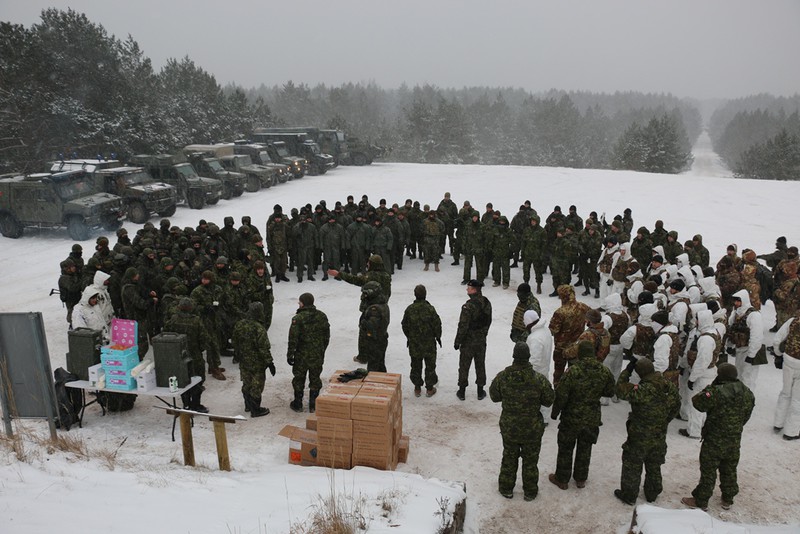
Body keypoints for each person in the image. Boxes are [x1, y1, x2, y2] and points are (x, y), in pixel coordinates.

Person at [682, 363, 755, 512]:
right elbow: (746, 415)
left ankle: (701, 500)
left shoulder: (716, 392)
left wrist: (710, 387)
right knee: (729, 468)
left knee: (708, 470)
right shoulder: (747, 392)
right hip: (734, 439)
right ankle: (728, 498)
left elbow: (697, 403)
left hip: (714, 439)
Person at [490, 342, 555, 501]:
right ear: (528, 357)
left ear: (514, 356)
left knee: (509, 458)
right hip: (532, 429)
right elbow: (549, 400)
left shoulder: (503, 377)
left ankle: (506, 488)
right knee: (531, 461)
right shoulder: (538, 379)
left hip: (510, 427)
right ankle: (530, 491)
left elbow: (494, 396)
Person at [548, 340, 615, 491]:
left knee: (566, 448)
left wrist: (555, 412)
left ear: (579, 354)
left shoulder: (573, 371)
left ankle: (562, 479)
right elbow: (610, 392)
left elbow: (562, 395)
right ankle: (581, 478)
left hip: (571, 417)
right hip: (592, 417)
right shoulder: (604, 371)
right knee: (585, 448)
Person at [614, 358, 681, 505]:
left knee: (632, 463)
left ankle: (629, 495)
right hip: (659, 434)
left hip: (639, 433)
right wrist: (664, 421)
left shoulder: (642, 390)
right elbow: (677, 405)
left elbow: (619, 389)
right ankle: (652, 493)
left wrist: (627, 371)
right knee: (654, 463)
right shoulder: (668, 386)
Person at [163, 298, 214, 413]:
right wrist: (200, 348)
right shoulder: (196, 321)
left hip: (179, 355)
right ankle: (196, 404)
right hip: (194, 356)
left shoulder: (173, 319)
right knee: (197, 379)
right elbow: (204, 339)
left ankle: (186, 404)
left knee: (182, 380)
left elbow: (166, 334)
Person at [287, 293, 331, 413]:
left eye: (299, 302)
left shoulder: (298, 318)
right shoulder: (322, 316)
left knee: (299, 378)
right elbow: (326, 336)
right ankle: (313, 405)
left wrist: (290, 354)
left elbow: (293, 339)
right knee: (315, 378)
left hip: (301, 355)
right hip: (317, 354)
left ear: (303, 303)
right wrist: (321, 349)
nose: (298, 303)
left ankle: (298, 403)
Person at [232, 302, 275, 417]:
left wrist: (238, 354)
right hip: (257, 362)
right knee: (257, 384)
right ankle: (255, 409)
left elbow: (234, 341)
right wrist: (270, 362)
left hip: (244, 360)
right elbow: (263, 348)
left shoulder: (239, 324)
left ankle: (247, 405)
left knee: (246, 382)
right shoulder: (259, 328)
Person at [455, 279, 493, 400]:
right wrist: (483, 334)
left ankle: (462, 391)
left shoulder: (468, 306)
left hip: (468, 341)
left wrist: (458, 341)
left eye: (469, 288)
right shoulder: (486, 303)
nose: (467, 289)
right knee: (480, 364)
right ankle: (480, 391)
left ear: (474, 290)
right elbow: (488, 321)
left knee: (464, 366)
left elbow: (463, 326)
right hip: (481, 340)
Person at [401, 284, 442, 397]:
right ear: (425, 294)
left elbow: (404, 325)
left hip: (414, 344)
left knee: (415, 366)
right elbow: (437, 324)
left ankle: (417, 388)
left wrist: (410, 336)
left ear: (415, 294)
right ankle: (430, 388)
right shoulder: (430, 309)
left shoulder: (410, 309)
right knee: (430, 366)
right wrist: (437, 336)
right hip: (429, 344)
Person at [549, 285, 591, 386]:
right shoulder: (583, 307)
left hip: (561, 348)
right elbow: (591, 320)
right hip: (577, 346)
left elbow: (553, 330)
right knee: (574, 373)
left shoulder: (560, 312)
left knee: (559, 373)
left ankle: (558, 391)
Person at [726, 289, 765, 392]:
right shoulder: (736, 313)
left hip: (750, 350)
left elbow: (756, 336)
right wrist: (729, 345)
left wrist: (751, 355)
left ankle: (748, 398)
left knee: (748, 378)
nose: (736, 303)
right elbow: (732, 330)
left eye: (738, 301)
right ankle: (740, 397)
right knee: (739, 375)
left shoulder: (754, 315)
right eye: (735, 301)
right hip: (740, 350)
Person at [772, 310, 800, 440]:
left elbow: (777, 339)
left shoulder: (793, 320)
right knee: (798, 399)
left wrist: (778, 354)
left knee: (785, 393)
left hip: (789, 360)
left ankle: (778, 423)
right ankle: (791, 432)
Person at [358, 281, 391, 372]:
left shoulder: (374, 309)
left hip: (375, 342)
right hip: (381, 339)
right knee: (380, 365)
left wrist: (364, 323)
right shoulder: (381, 303)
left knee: (373, 368)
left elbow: (372, 326)